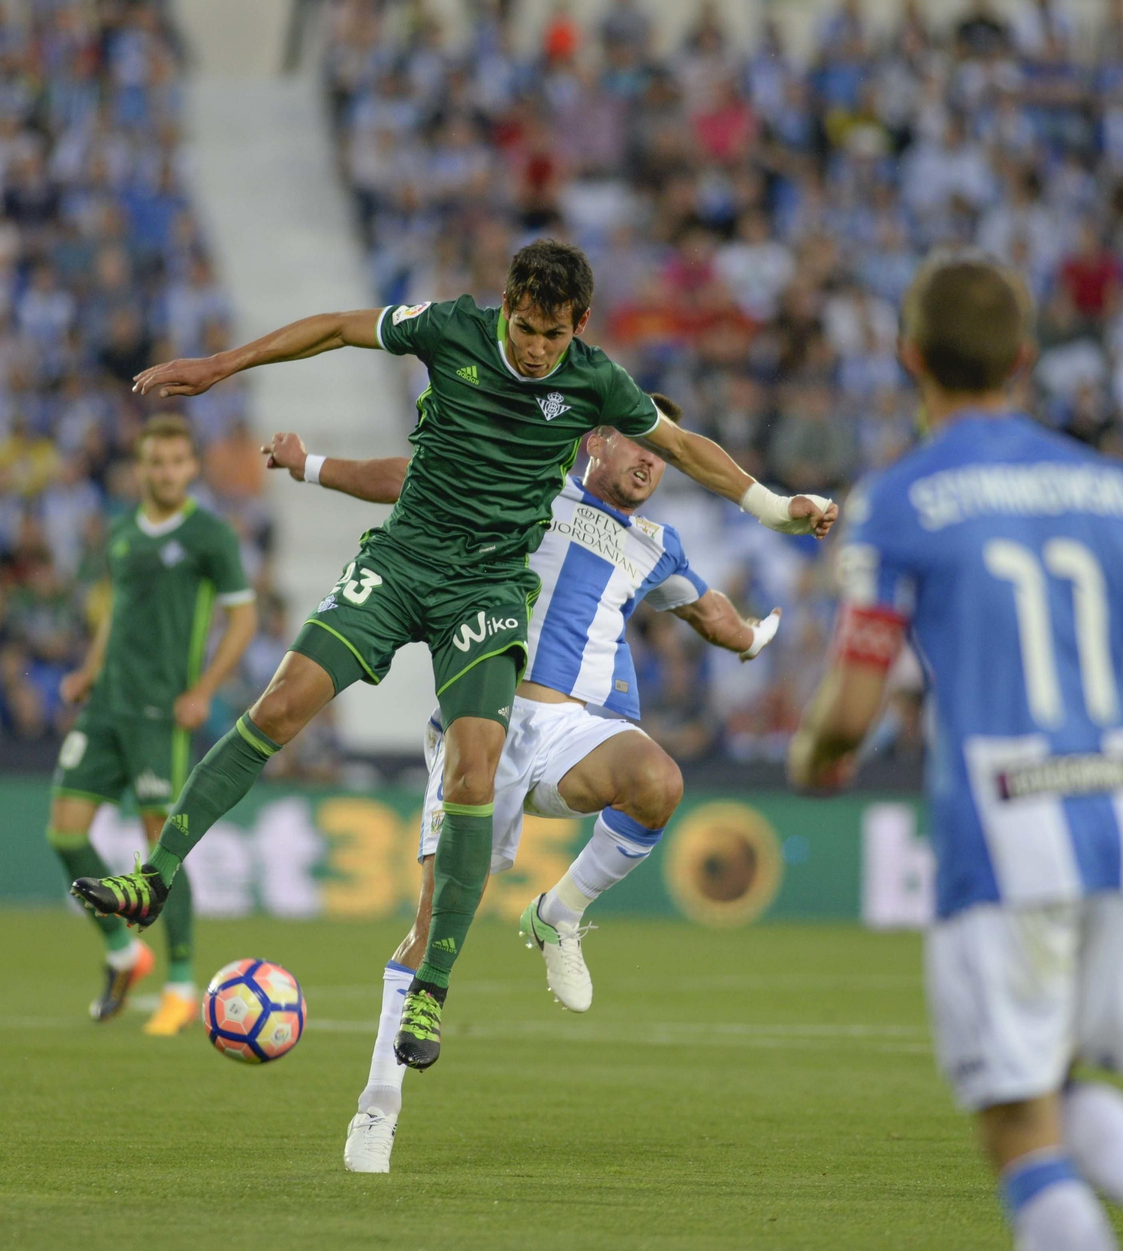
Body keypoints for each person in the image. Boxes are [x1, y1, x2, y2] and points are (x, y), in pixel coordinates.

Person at [73, 240, 836, 1071]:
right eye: (522, 324)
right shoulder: (453, 330)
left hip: (485, 593)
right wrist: (222, 366)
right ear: (504, 304)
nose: (532, 345)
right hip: (401, 563)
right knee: (280, 705)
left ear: (577, 327)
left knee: (475, 772)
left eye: (550, 333)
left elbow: (687, 448)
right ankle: (154, 877)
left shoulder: (598, 384)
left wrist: (773, 507)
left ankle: (432, 988)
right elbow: (335, 327)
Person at [789, 254, 1123, 1251]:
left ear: (907, 356)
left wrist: (816, 758)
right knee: (1047, 1083)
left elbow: (853, 704)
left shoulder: (899, 499)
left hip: (1003, 826)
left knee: (1011, 1122)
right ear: (1024, 358)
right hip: (1115, 815)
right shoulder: (1109, 486)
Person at [264, 393, 782, 1172]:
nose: (651, 458)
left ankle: (559, 912)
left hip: (575, 730)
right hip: (484, 720)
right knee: (440, 921)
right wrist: (310, 465)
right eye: (638, 441)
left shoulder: (658, 544)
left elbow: (713, 615)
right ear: (594, 442)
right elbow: (414, 478)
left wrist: (754, 636)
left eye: (663, 452)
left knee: (657, 778)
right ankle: (378, 1106)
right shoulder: (532, 485)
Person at [49, 413, 257, 1032]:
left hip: (158, 715)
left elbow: (241, 620)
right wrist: (89, 670)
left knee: (159, 853)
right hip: (107, 705)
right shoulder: (121, 534)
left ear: (192, 467)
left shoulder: (210, 536)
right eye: (155, 461)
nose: (165, 471)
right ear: (140, 467)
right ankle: (123, 952)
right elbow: (117, 612)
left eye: (175, 461)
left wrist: (203, 690)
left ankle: (182, 983)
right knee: (64, 834)